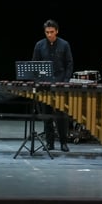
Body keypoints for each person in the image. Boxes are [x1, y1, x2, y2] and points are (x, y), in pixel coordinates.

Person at [31, 19, 74, 151]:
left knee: (61, 115)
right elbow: (35, 64)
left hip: (60, 83)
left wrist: (65, 81)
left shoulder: (64, 44)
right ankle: (50, 143)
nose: (49, 34)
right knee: (47, 115)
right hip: (45, 85)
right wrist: (38, 81)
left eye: (51, 32)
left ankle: (63, 142)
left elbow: (69, 63)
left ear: (57, 31)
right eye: (47, 32)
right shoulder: (39, 45)